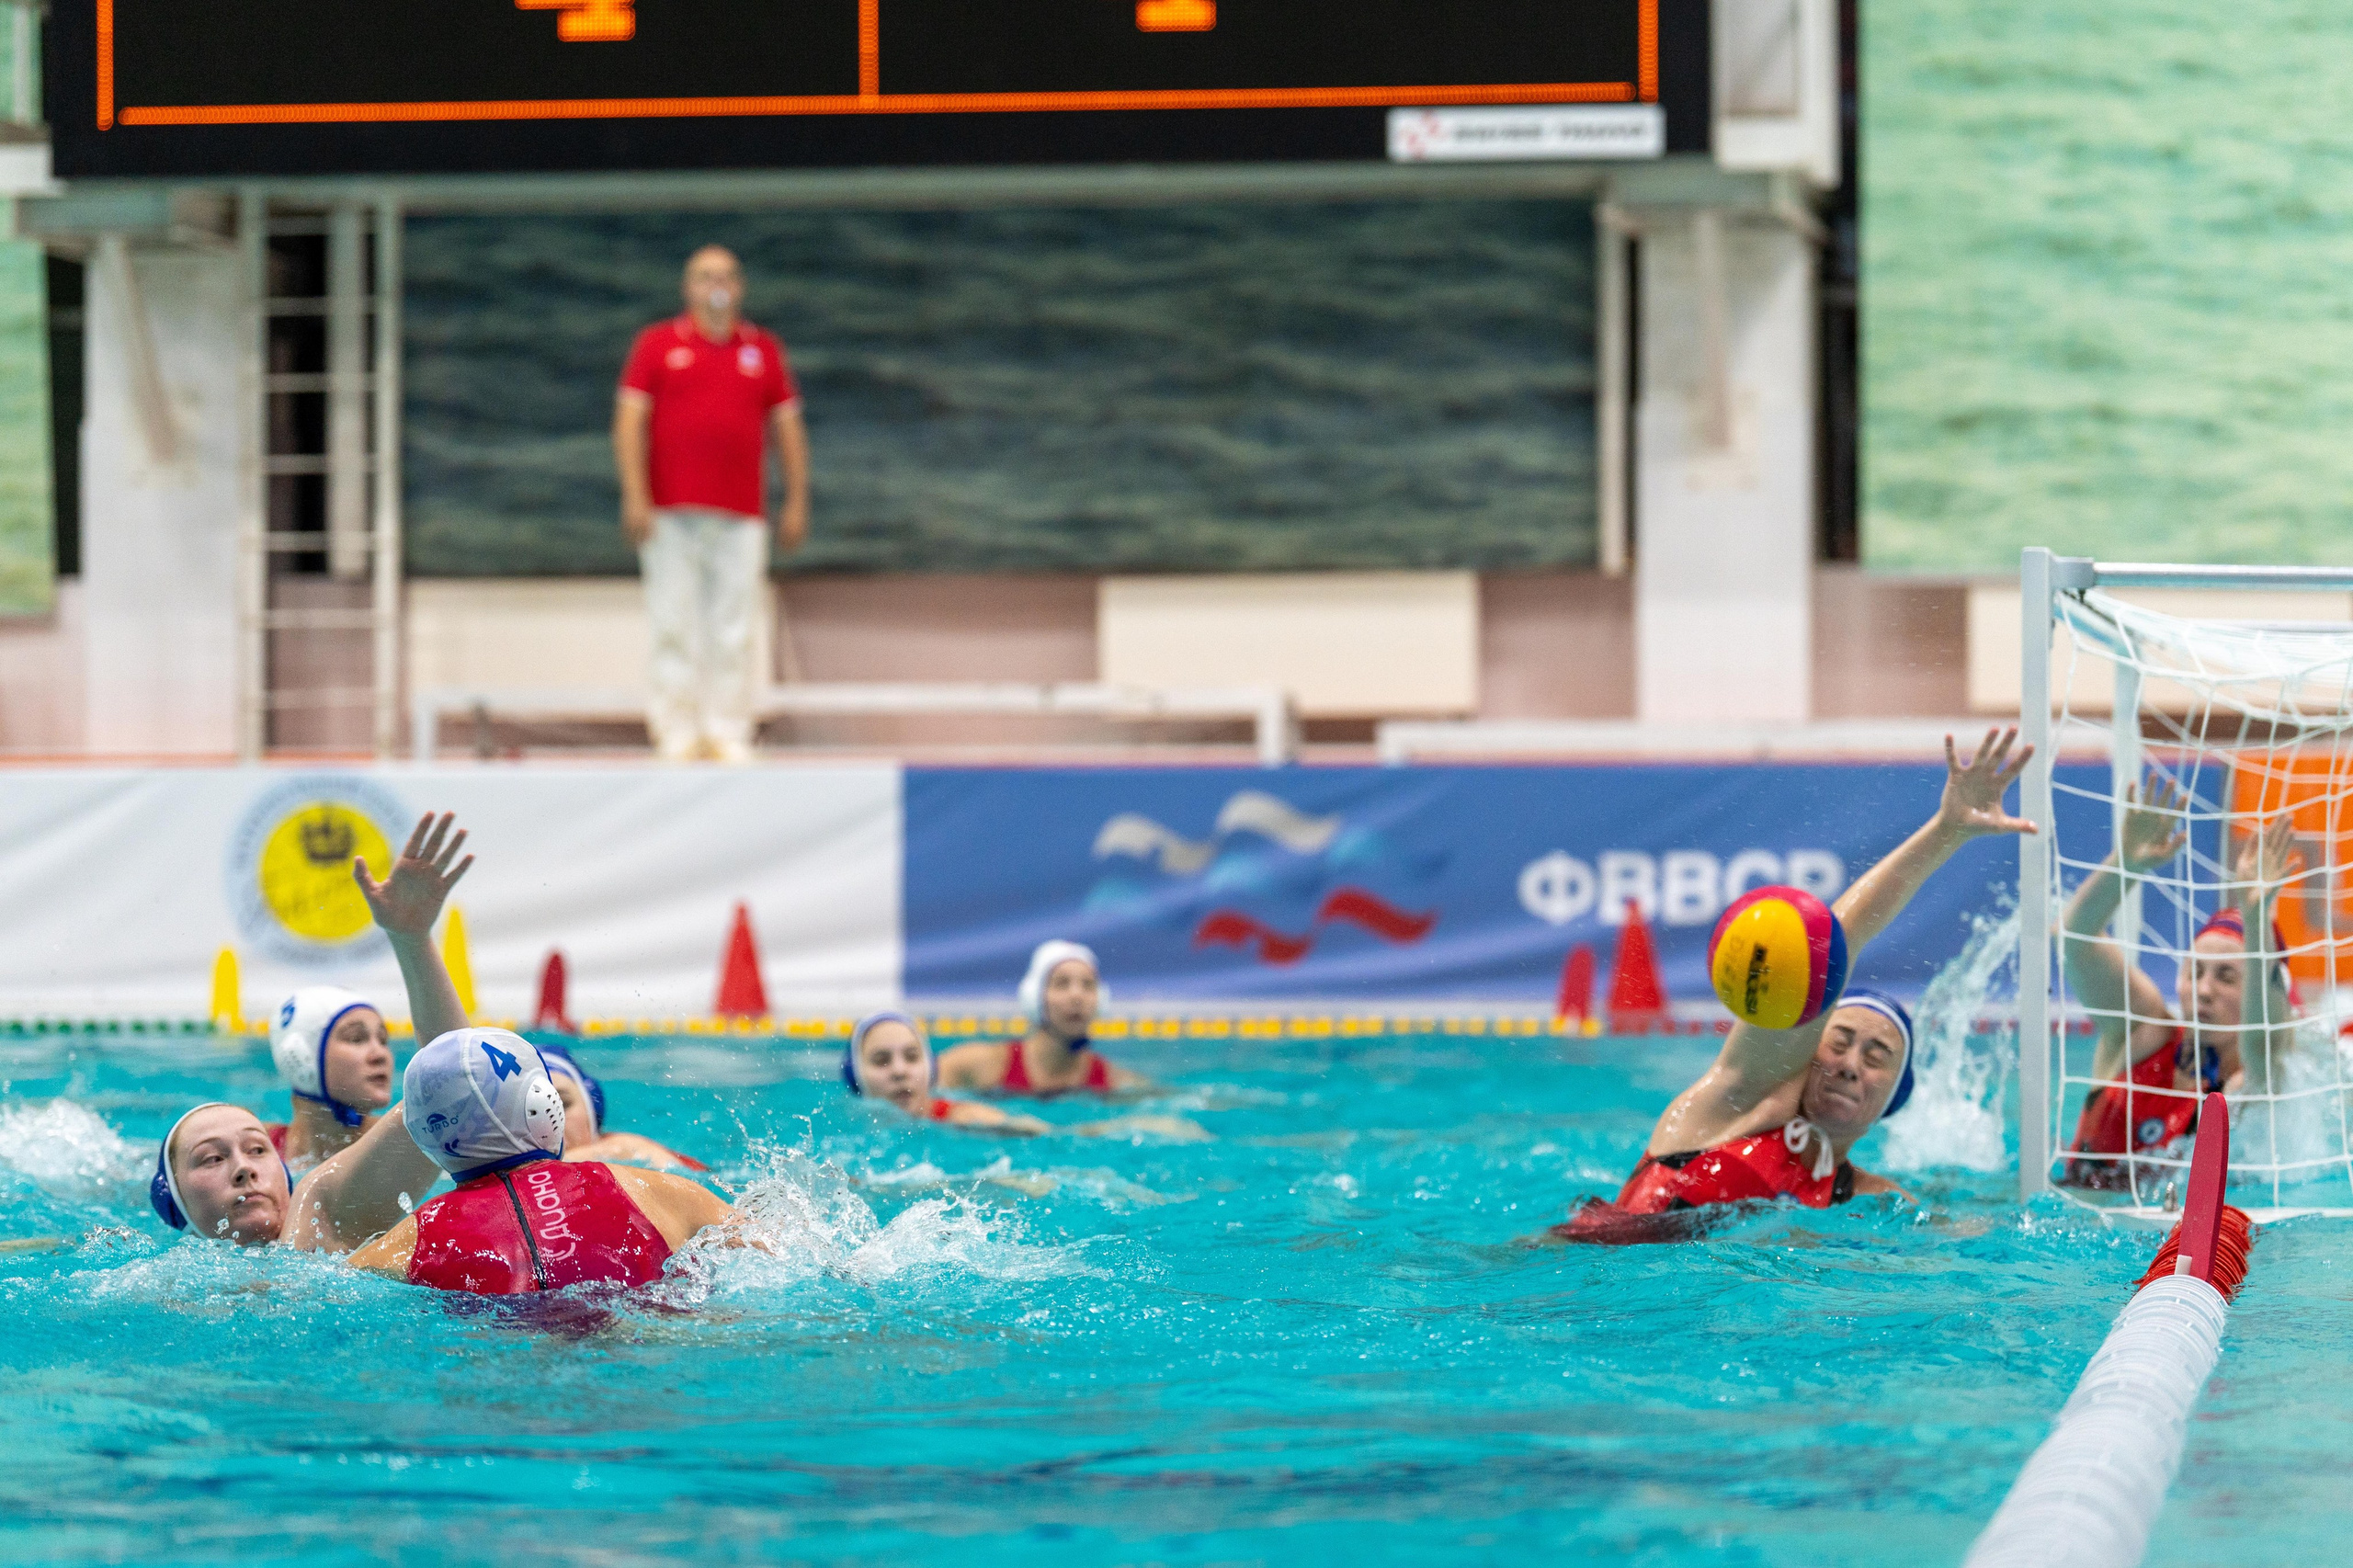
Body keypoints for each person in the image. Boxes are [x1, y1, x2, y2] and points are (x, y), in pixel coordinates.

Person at [1552, 728, 2037, 1243]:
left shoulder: (1870, 1200)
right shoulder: (1737, 1103)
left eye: (1877, 1057)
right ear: (1803, 1050)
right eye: (1841, 1041)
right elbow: (1835, 944)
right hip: (1572, 1279)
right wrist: (1945, 832)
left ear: (1894, 1097)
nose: (1851, 1067)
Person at [151, 811, 479, 1251]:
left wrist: (411, 938)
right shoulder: (155, 1281)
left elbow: (453, 1086)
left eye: (257, 1150)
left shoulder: (318, 1213)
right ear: (172, 1201)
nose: (244, 1169)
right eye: (211, 1158)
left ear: (287, 1180)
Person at [348, 1028, 735, 1294]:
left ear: (423, 1135)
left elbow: (328, 1285)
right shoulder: (651, 1190)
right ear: (541, 1102)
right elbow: (776, 1247)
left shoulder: (413, 1239)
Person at [613, 244, 810, 765]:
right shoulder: (657, 345)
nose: (715, 286)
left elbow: (787, 428)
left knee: (735, 625)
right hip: (668, 511)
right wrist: (635, 494)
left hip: (742, 512)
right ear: (689, 287)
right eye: (705, 277)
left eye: (724, 276)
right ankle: (675, 730)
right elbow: (630, 423)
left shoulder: (763, 350)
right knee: (671, 622)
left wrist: (797, 498)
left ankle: (728, 729)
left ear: (740, 286)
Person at [2059, 783, 2297, 1188]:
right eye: (2195, 971)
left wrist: (2257, 919)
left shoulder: (2256, 1079)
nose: (2203, 990)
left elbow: (2265, 1039)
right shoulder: (2142, 1033)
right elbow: (2077, 942)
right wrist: (2125, 867)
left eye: (2226, 977)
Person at [847, 1010, 1209, 1142]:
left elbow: (1050, 1135)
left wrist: (1127, 1126)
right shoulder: (839, 1127)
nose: (898, 1071)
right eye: (881, 1061)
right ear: (855, 1076)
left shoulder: (963, 1116)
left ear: (929, 1070)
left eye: (911, 1057)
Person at [938, 941, 1149, 1097]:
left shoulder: (1116, 1082)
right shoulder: (977, 1065)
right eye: (1061, 984)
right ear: (1035, 998)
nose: (1077, 996)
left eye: (1088, 985)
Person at [266, 984, 396, 1178]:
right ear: (302, 1056)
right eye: (356, 1039)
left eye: (383, 1040)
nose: (381, 1054)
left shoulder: (400, 1146)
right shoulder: (254, 1147)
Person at [538, 1040, 707, 1171]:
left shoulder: (628, 1149)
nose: (552, 1122)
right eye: (533, 1111)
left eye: (563, 1104)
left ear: (593, 1111)